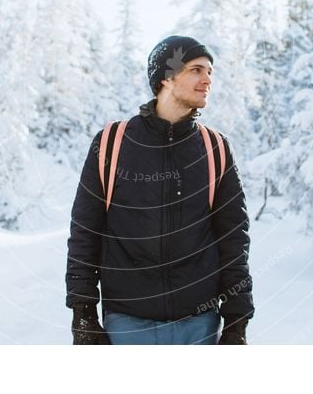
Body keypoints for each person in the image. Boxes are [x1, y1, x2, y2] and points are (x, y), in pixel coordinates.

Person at [65, 35, 254, 345]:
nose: (207, 79)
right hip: (126, 324)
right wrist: (83, 312)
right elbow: (85, 233)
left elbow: (233, 238)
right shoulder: (112, 143)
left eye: (210, 72)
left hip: (199, 324)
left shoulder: (215, 148)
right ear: (166, 77)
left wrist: (237, 320)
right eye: (196, 70)